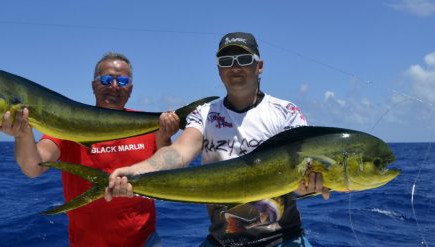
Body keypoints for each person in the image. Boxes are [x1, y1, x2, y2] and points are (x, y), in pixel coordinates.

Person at [105, 32, 330, 247]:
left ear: (259, 66)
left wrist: (310, 188)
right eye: (226, 61)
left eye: (243, 59)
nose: (235, 66)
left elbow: (304, 180)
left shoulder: (287, 112)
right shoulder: (204, 114)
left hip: (283, 238)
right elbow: (178, 153)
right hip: (222, 240)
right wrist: (138, 170)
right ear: (218, 70)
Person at [0, 52, 180, 247]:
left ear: (130, 89)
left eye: (122, 81)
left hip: (145, 241)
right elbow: (33, 167)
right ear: (93, 86)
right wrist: (23, 134)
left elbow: (169, 174)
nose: (114, 86)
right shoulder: (68, 124)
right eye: (106, 79)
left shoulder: (150, 126)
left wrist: (165, 137)